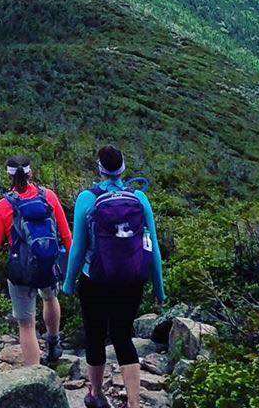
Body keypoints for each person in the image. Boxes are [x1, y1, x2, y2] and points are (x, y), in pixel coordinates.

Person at [62, 146, 165, 408]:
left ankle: (95, 394)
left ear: (99, 167)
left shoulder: (87, 198)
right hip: (131, 280)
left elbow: (78, 246)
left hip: (94, 279)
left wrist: (68, 281)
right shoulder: (139, 197)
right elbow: (151, 244)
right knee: (122, 336)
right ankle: (133, 402)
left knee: (95, 335)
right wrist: (159, 287)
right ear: (123, 168)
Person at [0, 155, 73, 365]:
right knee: (49, 298)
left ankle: (36, 376)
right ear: (31, 173)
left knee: (27, 325)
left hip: (20, 270)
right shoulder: (49, 196)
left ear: (8, 176)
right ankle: (53, 341)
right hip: (48, 263)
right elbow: (66, 235)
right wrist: (73, 269)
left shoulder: (2, 206)